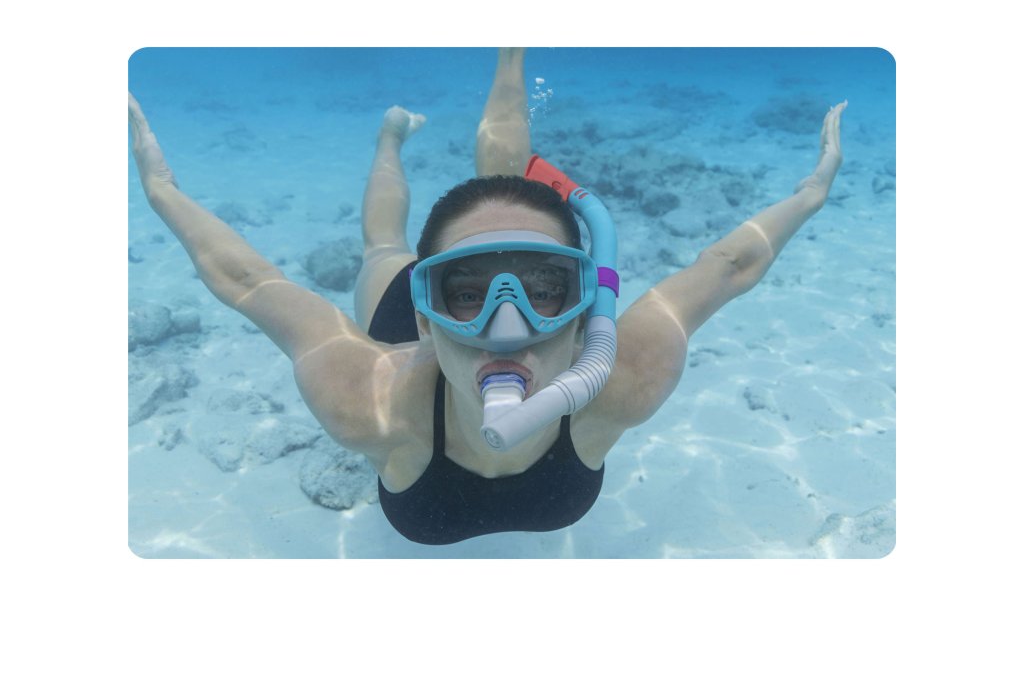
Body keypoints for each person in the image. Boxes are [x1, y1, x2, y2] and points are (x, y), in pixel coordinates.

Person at [129, 48, 847, 545]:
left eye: (545, 289)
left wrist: (811, 194)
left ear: (586, 310)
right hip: (405, 331)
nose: (510, 324)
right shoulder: (367, 400)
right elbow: (248, 282)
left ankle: (510, 49)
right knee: (383, 244)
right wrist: (161, 190)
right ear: (426, 312)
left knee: (494, 186)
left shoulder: (627, 378)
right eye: (468, 290)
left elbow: (728, 266)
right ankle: (390, 139)